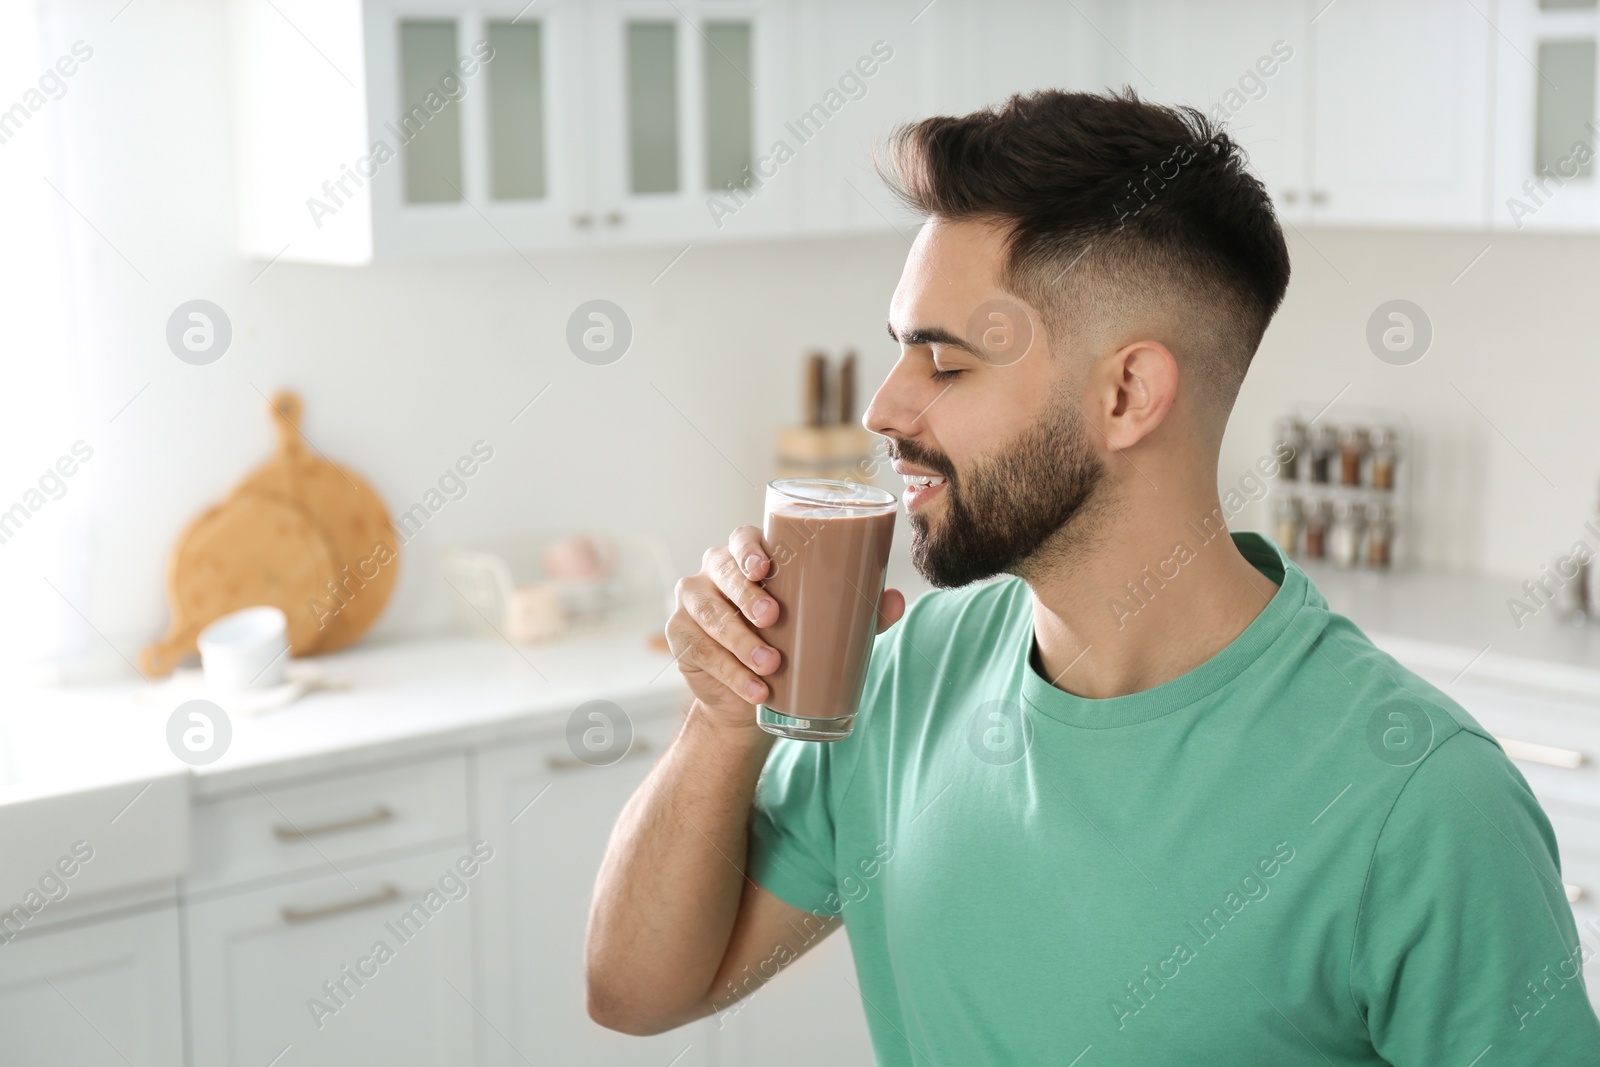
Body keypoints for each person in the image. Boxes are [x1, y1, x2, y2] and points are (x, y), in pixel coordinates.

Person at [585, 88, 1600, 1064]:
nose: (884, 409)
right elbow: (634, 992)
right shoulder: (897, 684)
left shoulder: (1420, 801)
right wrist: (724, 713)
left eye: (943, 365)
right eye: (899, 350)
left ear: (1126, 394)